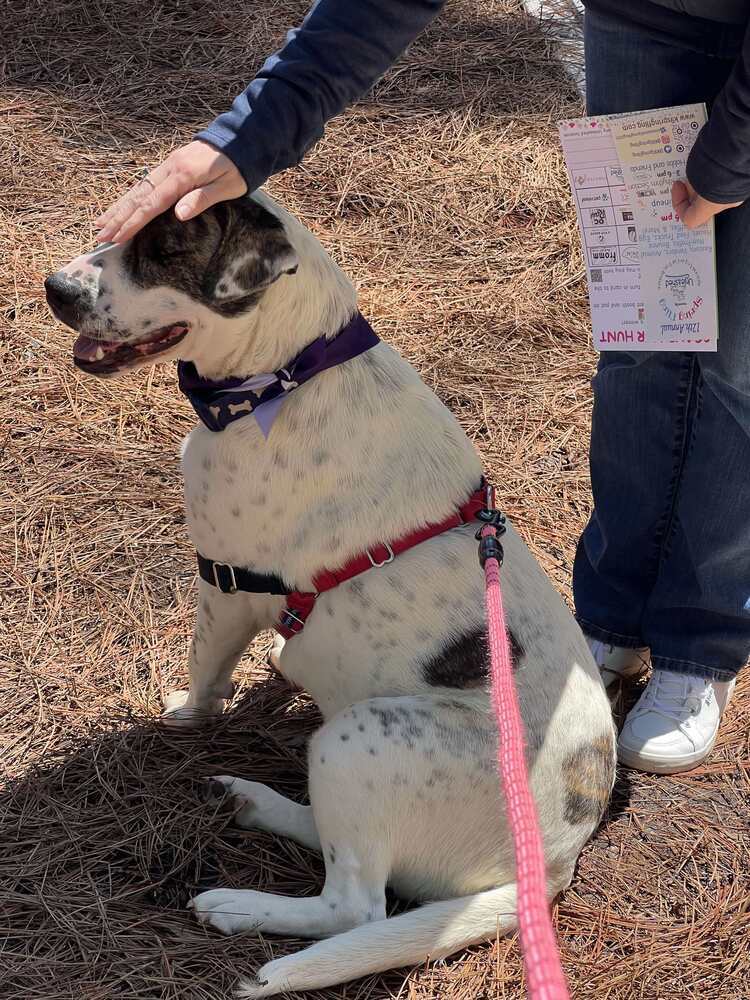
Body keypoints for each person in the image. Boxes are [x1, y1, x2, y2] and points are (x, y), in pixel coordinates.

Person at [96, 0, 749, 774]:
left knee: (732, 366)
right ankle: (617, 615)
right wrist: (250, 133)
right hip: (643, 21)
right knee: (643, 334)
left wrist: (730, 156)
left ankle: (697, 641)